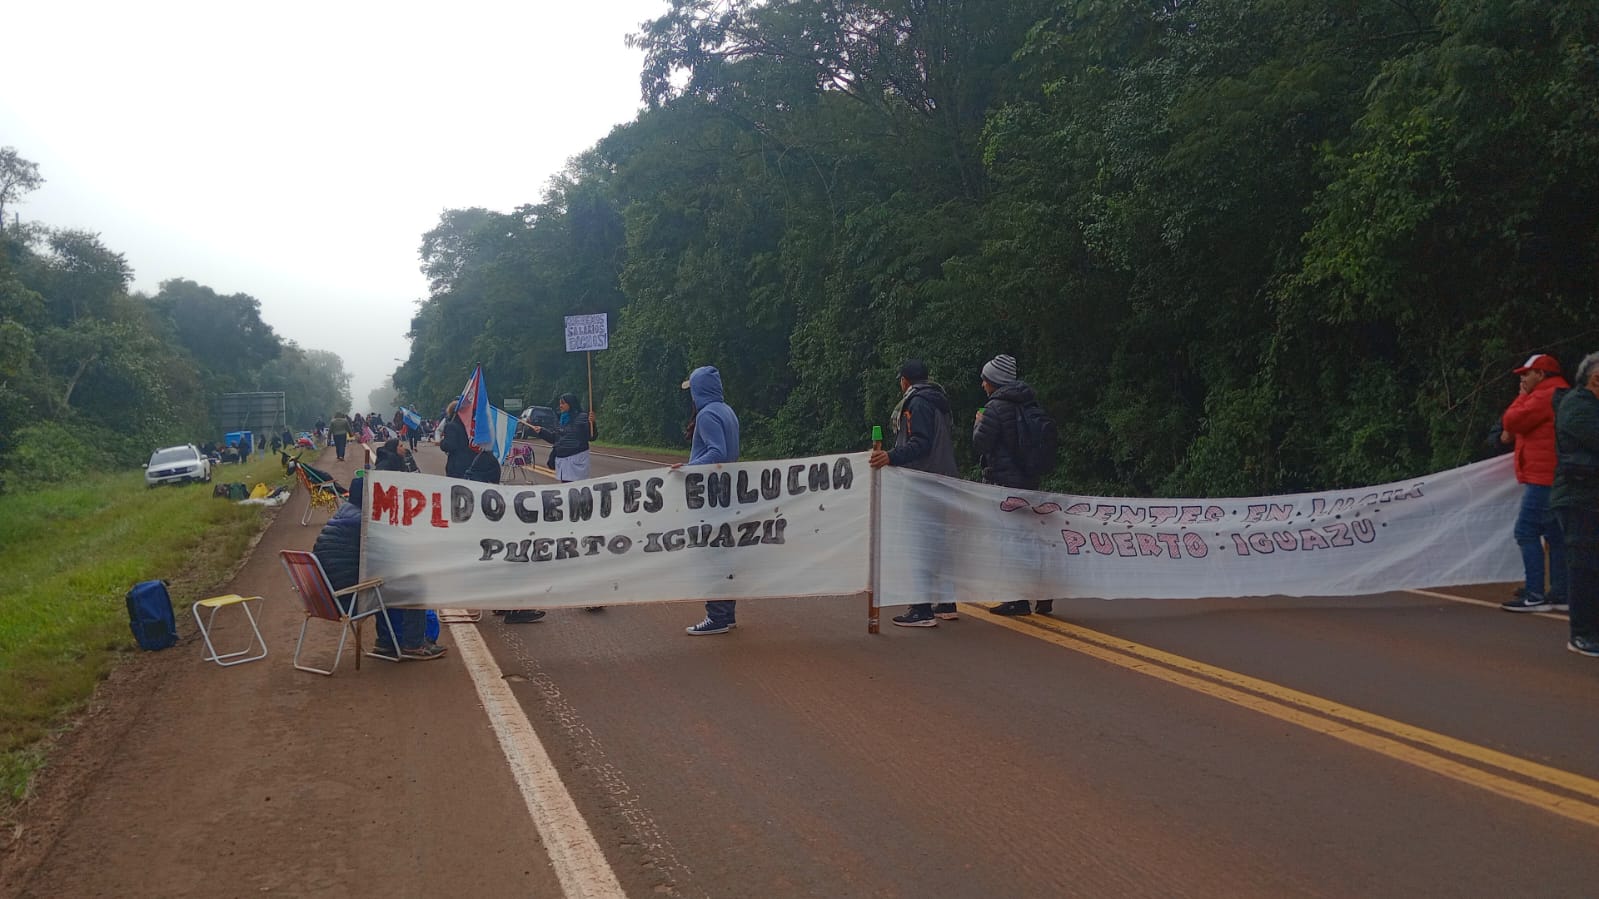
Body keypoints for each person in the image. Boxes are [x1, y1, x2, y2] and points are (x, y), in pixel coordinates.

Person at [869, 359, 961, 627]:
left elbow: (920, 442)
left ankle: (921, 609)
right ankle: (946, 602)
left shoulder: (917, 403)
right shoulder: (939, 400)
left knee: (919, 542)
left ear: (905, 381)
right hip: (942, 477)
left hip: (923, 480)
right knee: (937, 542)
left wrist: (891, 456)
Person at [312, 474, 444, 660]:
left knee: (386, 581)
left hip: (324, 596)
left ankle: (386, 642)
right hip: (348, 599)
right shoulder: (365, 523)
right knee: (413, 584)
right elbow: (395, 557)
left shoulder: (344, 514)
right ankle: (414, 645)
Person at [971, 353, 1054, 617]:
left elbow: (981, 443)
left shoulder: (994, 409)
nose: (982, 384)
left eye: (985, 380)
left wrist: (978, 423)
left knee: (1009, 542)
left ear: (994, 381)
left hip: (1004, 484)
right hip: (1029, 481)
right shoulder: (1030, 404)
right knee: (1029, 540)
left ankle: (1017, 600)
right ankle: (1043, 592)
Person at [1500, 353, 1571, 612]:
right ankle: (1561, 592)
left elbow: (1511, 421)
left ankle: (1534, 594)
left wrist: (1521, 397)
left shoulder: (1543, 396)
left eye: (1526, 374)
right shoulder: (1564, 393)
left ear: (1540, 374)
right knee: (1555, 535)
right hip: (1559, 476)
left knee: (1526, 531)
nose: (1523, 379)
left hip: (1543, 477)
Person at [678, 365, 742, 635]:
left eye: (692, 390)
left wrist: (688, 468)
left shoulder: (706, 415)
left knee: (712, 556)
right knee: (724, 554)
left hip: (711, 492)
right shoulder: (727, 411)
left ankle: (716, 616)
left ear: (699, 390)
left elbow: (717, 452)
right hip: (728, 491)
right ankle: (726, 613)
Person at [1554, 352, 1599, 657]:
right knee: (1584, 566)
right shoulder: (1577, 407)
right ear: (1596, 379)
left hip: (1589, 497)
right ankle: (1581, 634)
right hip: (1579, 498)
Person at [530, 393, 596, 481]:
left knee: (577, 489)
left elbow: (591, 437)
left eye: (563, 403)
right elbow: (555, 439)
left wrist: (592, 423)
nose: (560, 406)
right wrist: (541, 431)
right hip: (563, 461)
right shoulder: (560, 419)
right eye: (560, 403)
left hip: (577, 460)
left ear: (571, 404)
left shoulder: (583, 417)